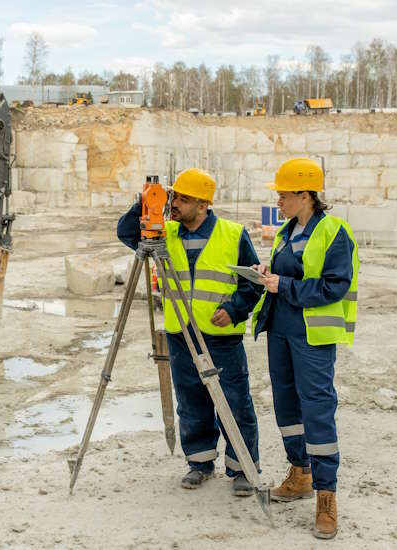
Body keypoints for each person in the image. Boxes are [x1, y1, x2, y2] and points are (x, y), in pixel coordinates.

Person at [117, 168, 263, 496]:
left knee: (235, 402)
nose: (176, 203)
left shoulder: (232, 233)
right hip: (181, 333)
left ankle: (242, 467)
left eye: (183, 199)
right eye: (175, 196)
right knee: (191, 401)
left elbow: (253, 283)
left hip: (221, 336)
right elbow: (126, 233)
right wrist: (146, 201)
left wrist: (235, 308)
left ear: (203, 204)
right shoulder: (164, 232)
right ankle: (199, 463)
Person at [251, 157, 359, 539]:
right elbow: (286, 274)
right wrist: (266, 276)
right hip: (280, 330)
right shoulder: (285, 233)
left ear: (305, 195)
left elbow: (335, 285)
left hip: (313, 335)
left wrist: (286, 286)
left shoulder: (333, 232)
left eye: (283, 195)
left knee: (316, 409)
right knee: (286, 405)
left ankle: (325, 496)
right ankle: (300, 472)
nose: (278, 201)